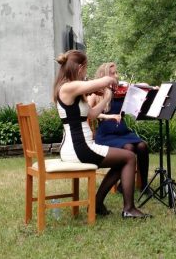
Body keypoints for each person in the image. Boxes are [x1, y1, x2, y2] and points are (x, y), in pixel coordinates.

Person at [53, 50, 151, 218]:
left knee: (123, 158)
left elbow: (91, 115)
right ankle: (128, 209)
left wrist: (106, 97)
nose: (86, 73)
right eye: (86, 69)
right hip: (80, 148)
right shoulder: (68, 87)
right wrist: (110, 80)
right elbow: (105, 79)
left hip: (77, 147)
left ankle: (98, 203)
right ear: (80, 67)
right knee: (129, 157)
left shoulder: (69, 88)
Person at [88, 62, 150, 193]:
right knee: (129, 147)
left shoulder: (121, 89)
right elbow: (89, 113)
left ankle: (144, 185)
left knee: (142, 146)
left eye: (116, 72)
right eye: (112, 73)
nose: (116, 75)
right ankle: (124, 183)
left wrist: (144, 88)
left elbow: (143, 86)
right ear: (104, 75)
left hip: (123, 131)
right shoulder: (96, 93)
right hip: (106, 134)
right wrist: (107, 116)